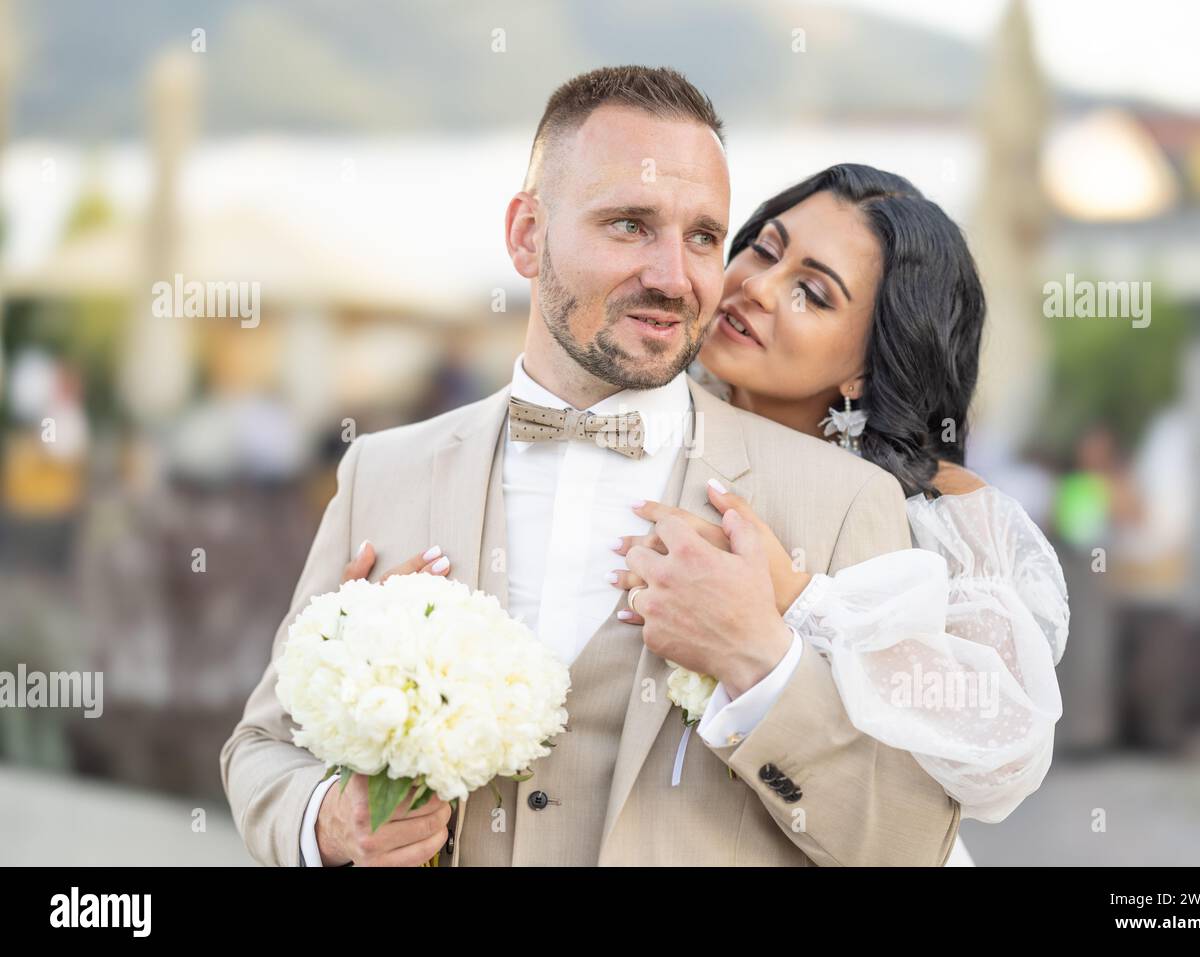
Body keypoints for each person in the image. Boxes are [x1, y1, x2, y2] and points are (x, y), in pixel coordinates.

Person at [221, 67, 960, 867]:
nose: (674, 277)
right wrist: (328, 818)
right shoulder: (382, 472)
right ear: (526, 235)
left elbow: (913, 840)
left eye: (704, 237)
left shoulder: (845, 503)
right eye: (630, 225)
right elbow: (260, 746)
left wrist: (761, 662)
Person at [600, 164, 1070, 866]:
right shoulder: (635, 428)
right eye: (764, 248)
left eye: (811, 293)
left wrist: (796, 599)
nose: (757, 286)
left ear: (866, 365)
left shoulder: (935, 510)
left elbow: (1004, 747)